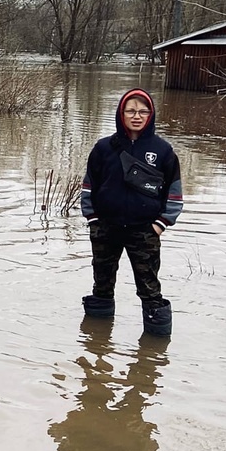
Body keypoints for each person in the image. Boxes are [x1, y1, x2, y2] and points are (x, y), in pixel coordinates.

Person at [80, 89, 183, 336]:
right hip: (105, 228)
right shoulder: (104, 148)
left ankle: (155, 351)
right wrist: (93, 219)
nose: (136, 116)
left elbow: (175, 193)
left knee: (150, 291)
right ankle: (97, 343)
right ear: (121, 113)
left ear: (150, 115)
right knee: (102, 285)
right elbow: (88, 186)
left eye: (142, 111)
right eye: (131, 111)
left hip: (144, 232)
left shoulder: (163, 151)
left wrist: (160, 224)